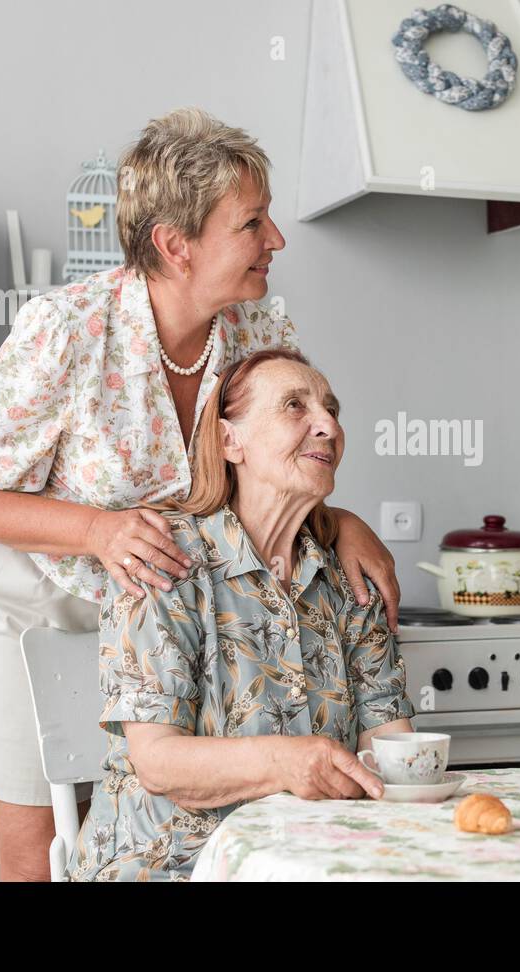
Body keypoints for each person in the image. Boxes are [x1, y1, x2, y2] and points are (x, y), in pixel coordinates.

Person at [0, 108, 401, 881]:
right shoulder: (65, 330)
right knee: (38, 839)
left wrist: (343, 518)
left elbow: (272, 455)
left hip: (164, 602)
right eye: (252, 223)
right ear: (174, 244)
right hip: (33, 589)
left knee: (142, 808)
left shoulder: (255, 323)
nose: (276, 240)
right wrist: (97, 531)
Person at [67, 347, 415, 881]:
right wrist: (288, 762)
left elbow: (390, 745)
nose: (327, 425)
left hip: (315, 860)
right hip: (172, 863)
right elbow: (158, 763)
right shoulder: (166, 558)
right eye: (295, 407)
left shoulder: (348, 577)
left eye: (332, 410)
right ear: (231, 441)